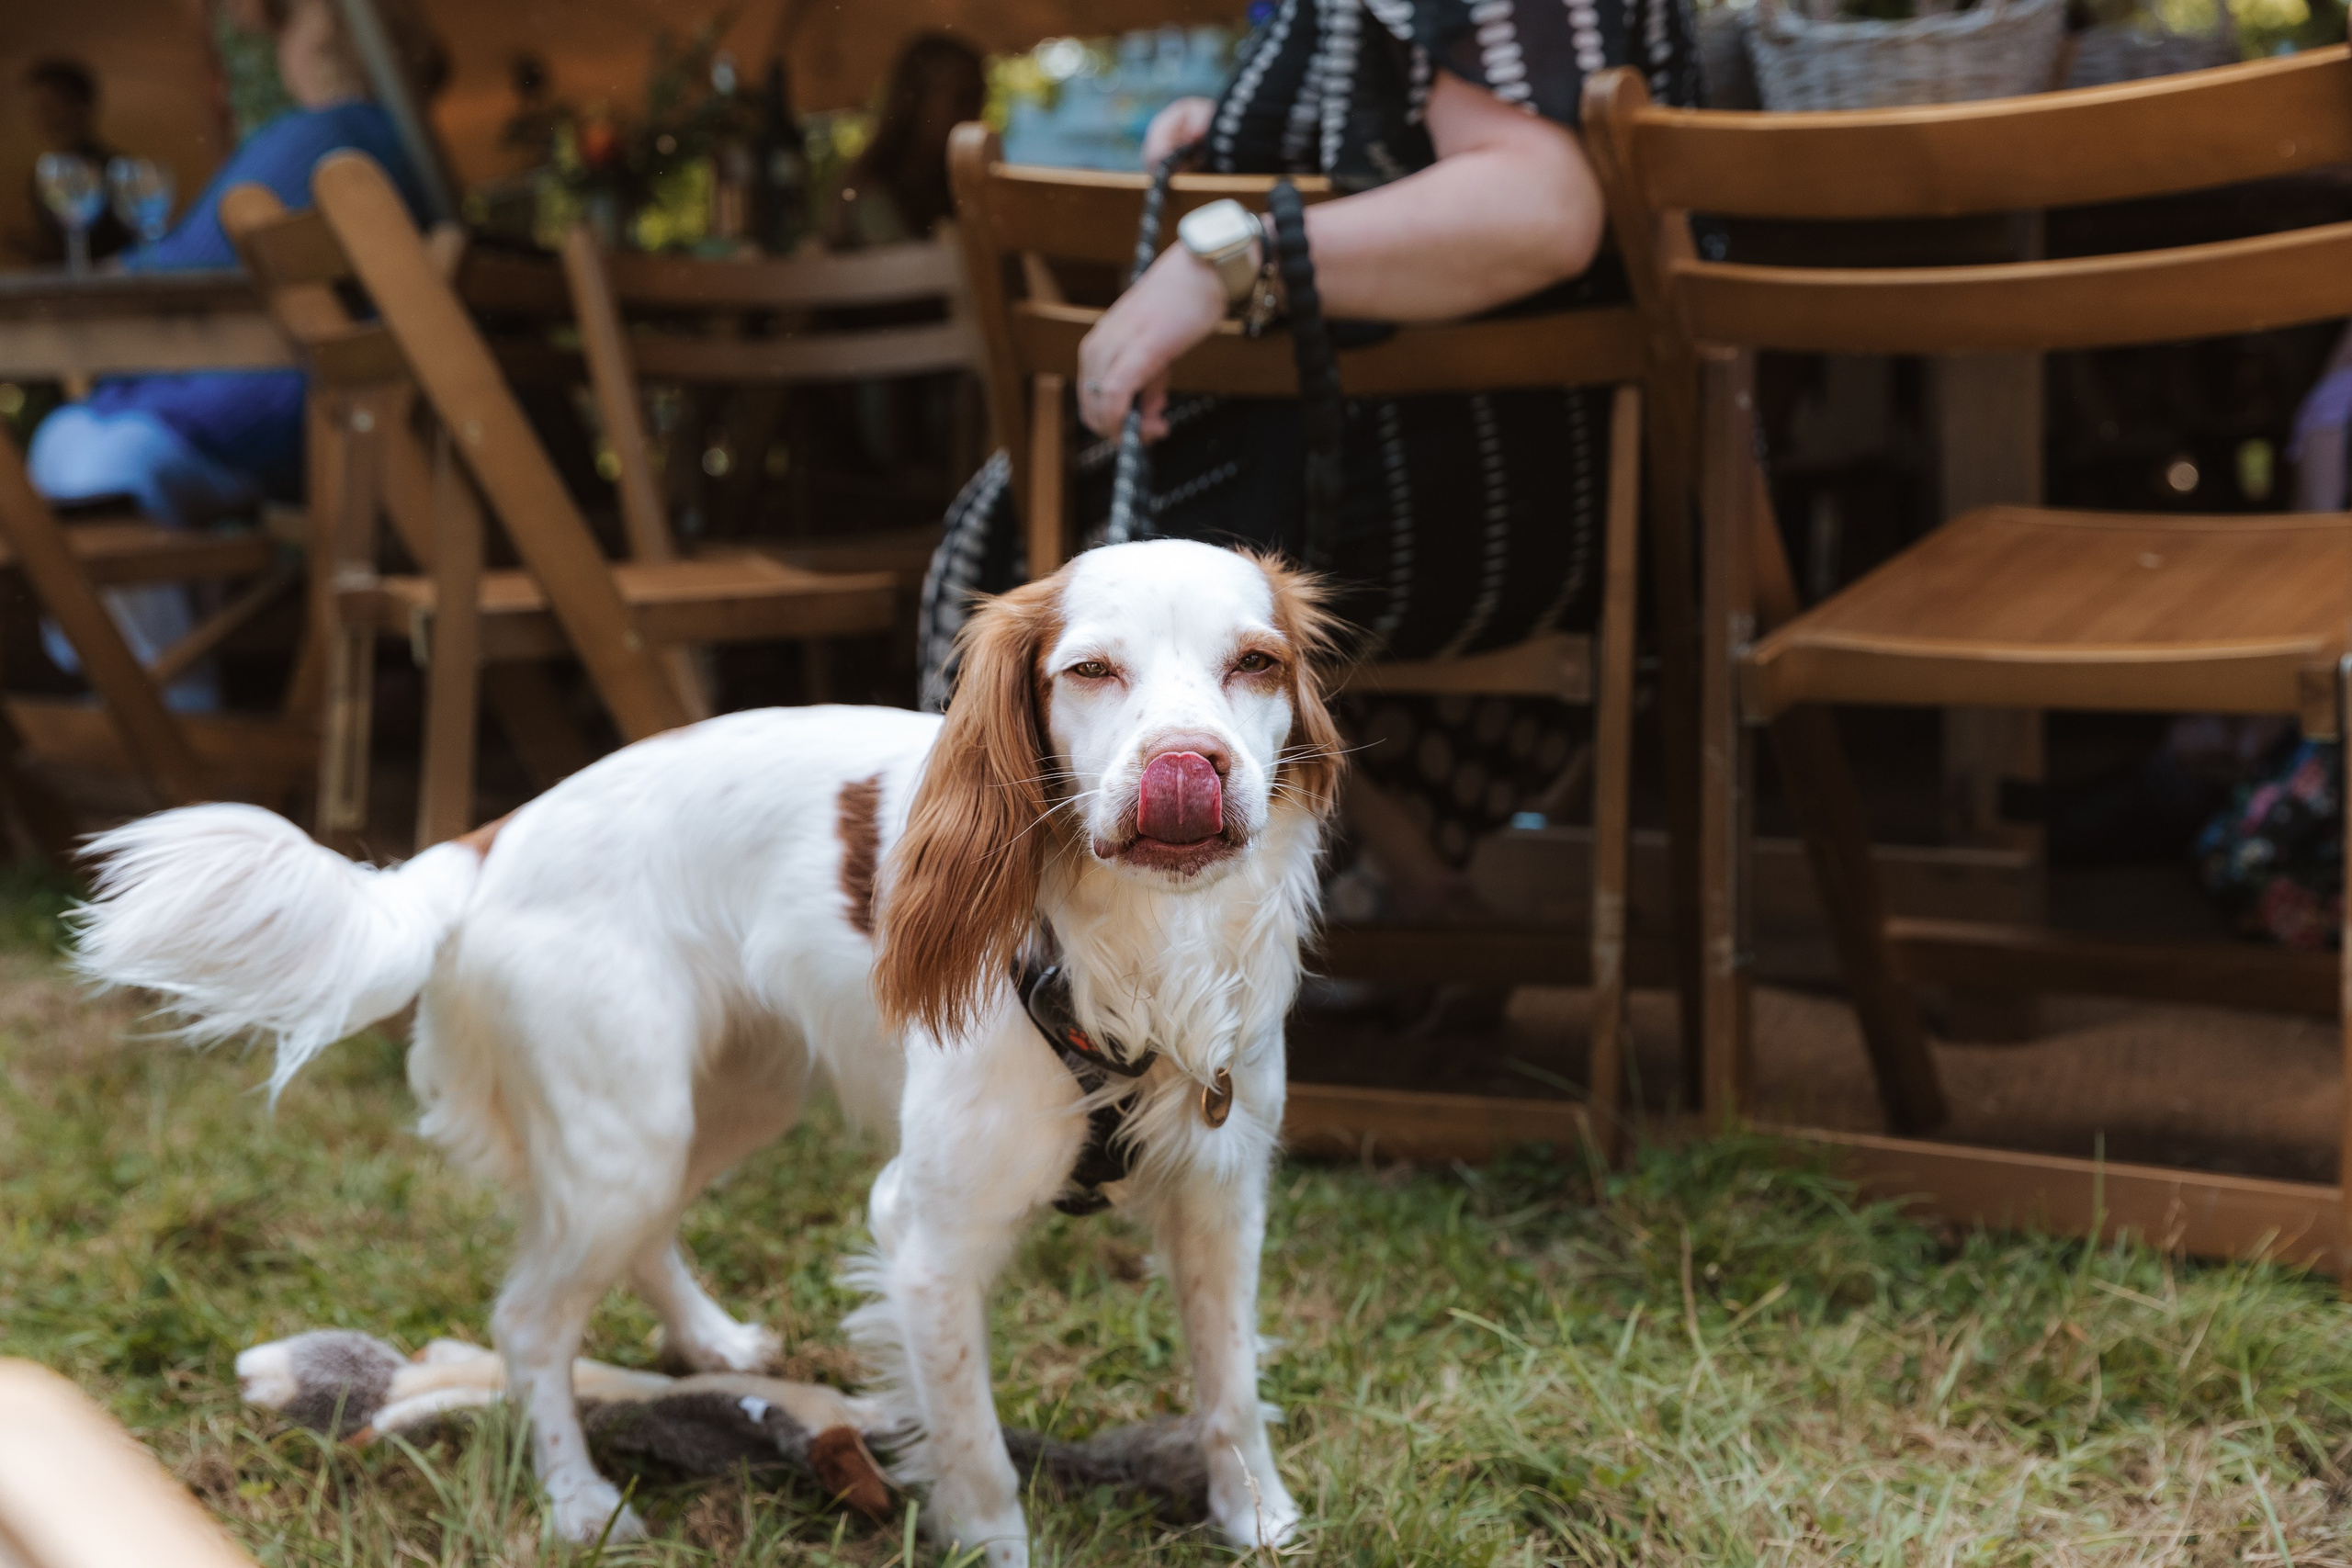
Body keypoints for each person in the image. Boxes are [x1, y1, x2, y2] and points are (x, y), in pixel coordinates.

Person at [922, 0, 1702, 943]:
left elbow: (1545, 206)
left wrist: (1235, 261)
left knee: (1031, 550)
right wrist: (1247, 125)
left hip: (1463, 504)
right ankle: (1389, 891)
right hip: (1459, 489)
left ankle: (1012, 964)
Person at [25, 0, 442, 710]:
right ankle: (156, 697)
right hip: (347, 421)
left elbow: (188, 263)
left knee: (86, 458)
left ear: (324, 37)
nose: (281, 47)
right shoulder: (402, 146)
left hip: (296, 420)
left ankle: (166, 704)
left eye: (291, 24)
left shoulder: (326, 135)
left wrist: (112, 276)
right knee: (84, 454)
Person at [822, 34, 987, 249]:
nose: (974, 114)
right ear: (917, 100)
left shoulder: (956, 184)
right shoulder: (873, 193)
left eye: (979, 99)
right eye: (961, 98)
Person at [18, 59, 133, 266]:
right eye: (35, 108)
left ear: (80, 106)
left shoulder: (118, 170)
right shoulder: (43, 175)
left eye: (48, 106)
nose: (41, 116)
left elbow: (130, 246)